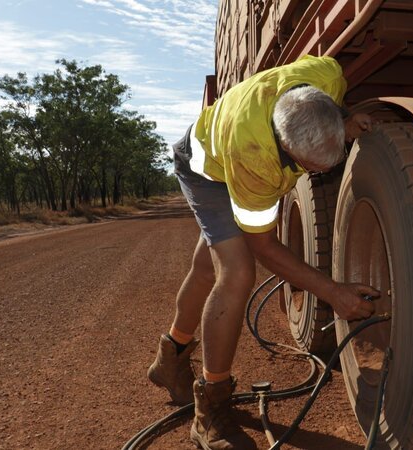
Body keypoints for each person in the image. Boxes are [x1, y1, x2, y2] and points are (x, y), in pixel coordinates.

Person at [147, 55, 378, 450]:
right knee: (235, 273)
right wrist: (333, 292)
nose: (318, 172)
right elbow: (265, 247)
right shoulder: (255, 159)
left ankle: (170, 357)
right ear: (286, 147)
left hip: (235, 144)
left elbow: (326, 103)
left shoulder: (326, 76)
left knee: (207, 268)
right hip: (207, 170)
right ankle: (210, 410)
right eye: (309, 167)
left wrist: (345, 116)